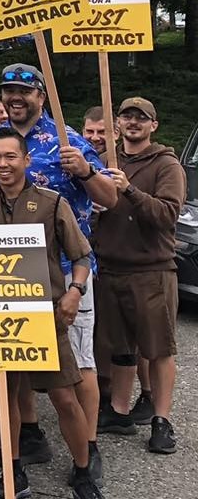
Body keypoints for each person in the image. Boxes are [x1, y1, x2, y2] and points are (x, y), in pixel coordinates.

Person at [0, 64, 117, 468]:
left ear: (42, 97)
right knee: (14, 364)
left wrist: (85, 170)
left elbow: (111, 198)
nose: (15, 98)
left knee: (77, 367)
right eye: (8, 91)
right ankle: (28, 436)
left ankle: (88, 449)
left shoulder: (68, 140)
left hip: (65, 271)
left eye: (24, 91)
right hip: (6, 278)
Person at [92, 97, 183, 454]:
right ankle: (118, 410)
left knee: (159, 348)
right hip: (110, 267)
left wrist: (128, 189)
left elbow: (167, 215)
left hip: (151, 269)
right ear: (118, 123)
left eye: (141, 119)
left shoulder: (166, 165)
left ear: (153, 125)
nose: (133, 123)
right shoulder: (103, 162)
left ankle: (161, 420)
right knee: (119, 349)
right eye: (127, 117)